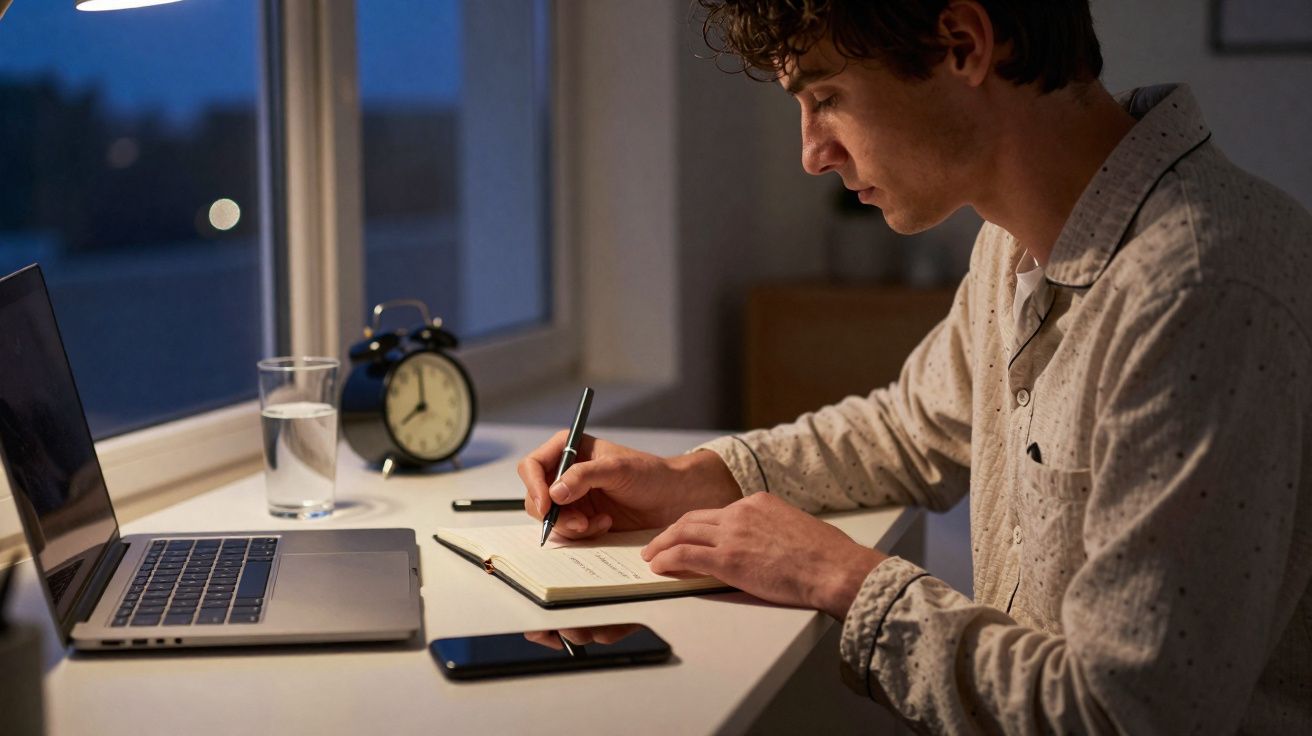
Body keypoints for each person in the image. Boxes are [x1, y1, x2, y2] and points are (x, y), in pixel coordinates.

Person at [519, 1, 1312, 732]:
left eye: (825, 96)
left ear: (961, 46)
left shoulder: (1199, 287)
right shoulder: (1019, 240)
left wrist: (846, 581)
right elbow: (912, 426)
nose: (811, 154)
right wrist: (699, 474)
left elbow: (1120, 713)